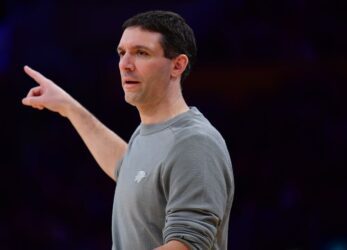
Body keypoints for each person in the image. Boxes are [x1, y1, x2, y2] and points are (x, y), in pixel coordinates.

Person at [22, 10, 234, 250]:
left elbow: (187, 245)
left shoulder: (195, 142)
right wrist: (69, 107)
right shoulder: (150, 132)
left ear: (177, 65)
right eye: (122, 53)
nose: (125, 64)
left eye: (141, 53)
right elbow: (128, 168)